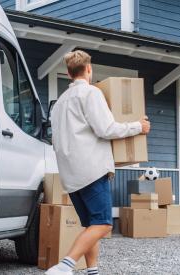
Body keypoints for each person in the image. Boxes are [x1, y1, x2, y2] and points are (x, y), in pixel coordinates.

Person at [47, 50, 150, 275]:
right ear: (89, 69)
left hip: (70, 175)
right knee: (103, 224)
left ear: (68, 73)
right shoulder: (90, 93)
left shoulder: (58, 104)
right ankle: (64, 266)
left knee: (91, 226)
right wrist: (137, 126)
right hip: (91, 170)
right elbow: (106, 129)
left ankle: (92, 271)